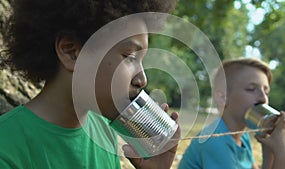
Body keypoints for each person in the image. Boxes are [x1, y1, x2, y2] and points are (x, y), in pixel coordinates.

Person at [0, 0, 180, 168]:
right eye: (129, 56)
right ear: (71, 52)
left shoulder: (102, 131)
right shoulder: (6, 148)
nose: (142, 79)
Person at [178, 58, 285, 169]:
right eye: (251, 89)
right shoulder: (214, 142)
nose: (263, 98)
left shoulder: (242, 136)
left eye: (266, 91)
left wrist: (269, 152)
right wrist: (283, 159)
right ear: (223, 97)